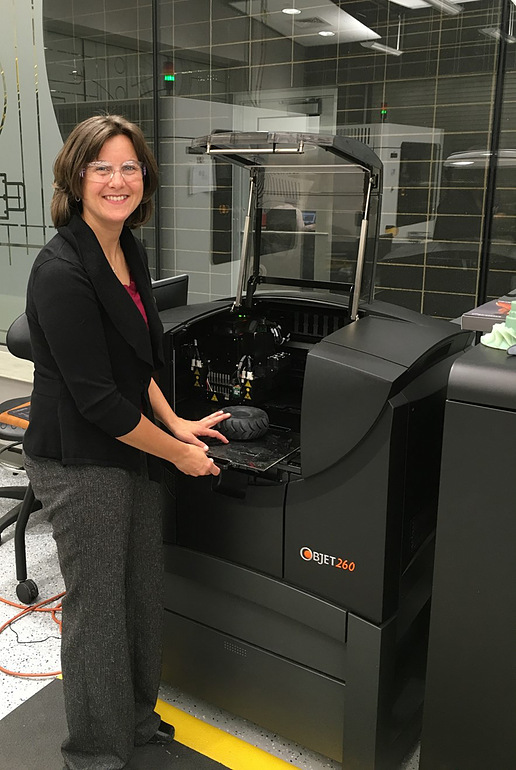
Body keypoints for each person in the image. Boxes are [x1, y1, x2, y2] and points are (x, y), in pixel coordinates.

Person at [22, 114, 229, 770]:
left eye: (129, 167)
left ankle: (137, 726)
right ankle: (94, 755)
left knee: (140, 590)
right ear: (76, 177)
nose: (118, 180)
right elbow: (98, 402)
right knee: (99, 609)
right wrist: (178, 455)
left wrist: (176, 425)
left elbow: (137, 366)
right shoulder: (61, 270)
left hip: (131, 440)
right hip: (76, 456)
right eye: (102, 167)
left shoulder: (126, 246)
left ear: (145, 177)